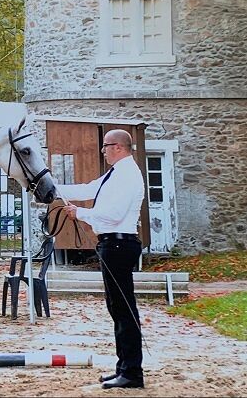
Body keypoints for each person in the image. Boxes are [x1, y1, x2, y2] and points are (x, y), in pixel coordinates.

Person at [57, 129, 145, 389]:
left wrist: (80, 213)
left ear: (117, 147)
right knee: (117, 308)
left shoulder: (128, 174)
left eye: (105, 147)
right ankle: (125, 367)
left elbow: (113, 215)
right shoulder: (116, 173)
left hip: (119, 243)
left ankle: (131, 372)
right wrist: (50, 186)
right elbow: (88, 188)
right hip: (113, 244)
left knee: (123, 310)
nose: (103, 151)